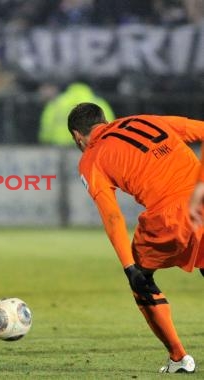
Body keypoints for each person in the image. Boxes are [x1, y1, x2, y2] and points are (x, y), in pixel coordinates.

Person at [67, 102, 204, 373]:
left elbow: (113, 217)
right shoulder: (144, 119)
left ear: (77, 136)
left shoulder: (91, 159)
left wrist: (128, 267)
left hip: (171, 215)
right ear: (103, 121)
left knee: (141, 277)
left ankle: (178, 358)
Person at [39, 82, 115, 146]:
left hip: (60, 146)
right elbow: (110, 128)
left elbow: (46, 126)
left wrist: (45, 141)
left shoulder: (56, 103)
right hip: (89, 147)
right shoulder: (100, 103)